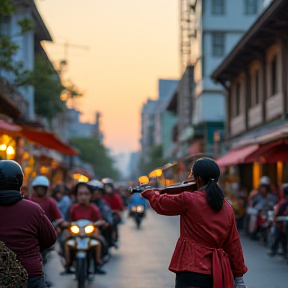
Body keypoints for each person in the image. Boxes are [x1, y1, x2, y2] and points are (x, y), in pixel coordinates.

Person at [141, 158, 248, 288]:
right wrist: (239, 276)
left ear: (198, 178)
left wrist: (150, 193)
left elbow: (161, 204)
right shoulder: (227, 207)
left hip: (191, 268)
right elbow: (233, 243)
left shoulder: (190, 199)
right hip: (217, 270)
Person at [0, 160, 57, 288]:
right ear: (19, 181)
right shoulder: (33, 209)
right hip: (31, 276)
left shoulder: (43, 204)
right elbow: (50, 240)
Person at [64, 182, 107, 275]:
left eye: (86, 194)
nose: (83, 197)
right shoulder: (72, 208)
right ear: (76, 196)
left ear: (90, 196)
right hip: (76, 234)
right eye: (80, 194)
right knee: (65, 242)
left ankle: (98, 263)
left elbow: (100, 220)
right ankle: (67, 264)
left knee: (101, 243)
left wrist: (98, 223)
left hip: (90, 234)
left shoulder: (94, 208)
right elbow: (67, 221)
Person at [88, 180, 115, 248]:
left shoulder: (103, 204)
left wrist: (107, 222)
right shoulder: (83, 204)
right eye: (93, 192)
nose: (95, 194)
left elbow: (108, 216)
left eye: (98, 193)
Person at [102, 178, 123, 244]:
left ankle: (113, 238)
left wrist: (114, 212)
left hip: (113, 215)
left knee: (113, 223)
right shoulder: (102, 197)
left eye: (109, 187)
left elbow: (120, 208)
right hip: (103, 216)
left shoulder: (116, 197)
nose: (108, 189)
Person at [269, 184, 288, 257]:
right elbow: (278, 214)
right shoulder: (283, 203)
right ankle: (275, 249)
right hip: (282, 223)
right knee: (279, 233)